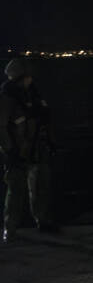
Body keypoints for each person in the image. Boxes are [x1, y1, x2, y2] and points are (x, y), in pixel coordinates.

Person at [0, 59, 55, 243]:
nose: (30, 79)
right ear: (20, 77)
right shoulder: (7, 98)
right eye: (27, 76)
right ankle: (10, 229)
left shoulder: (33, 94)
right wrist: (9, 150)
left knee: (41, 186)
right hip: (17, 151)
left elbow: (43, 120)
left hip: (37, 149)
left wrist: (50, 142)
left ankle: (42, 220)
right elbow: (2, 127)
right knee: (16, 191)